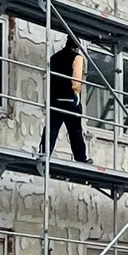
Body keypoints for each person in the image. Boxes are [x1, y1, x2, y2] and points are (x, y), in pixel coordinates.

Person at [46, 33, 89, 164]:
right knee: (75, 130)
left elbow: (50, 78)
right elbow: (76, 78)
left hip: (55, 99)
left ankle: (44, 152)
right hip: (70, 100)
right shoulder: (77, 57)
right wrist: (76, 94)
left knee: (51, 129)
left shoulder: (54, 57)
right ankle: (80, 157)